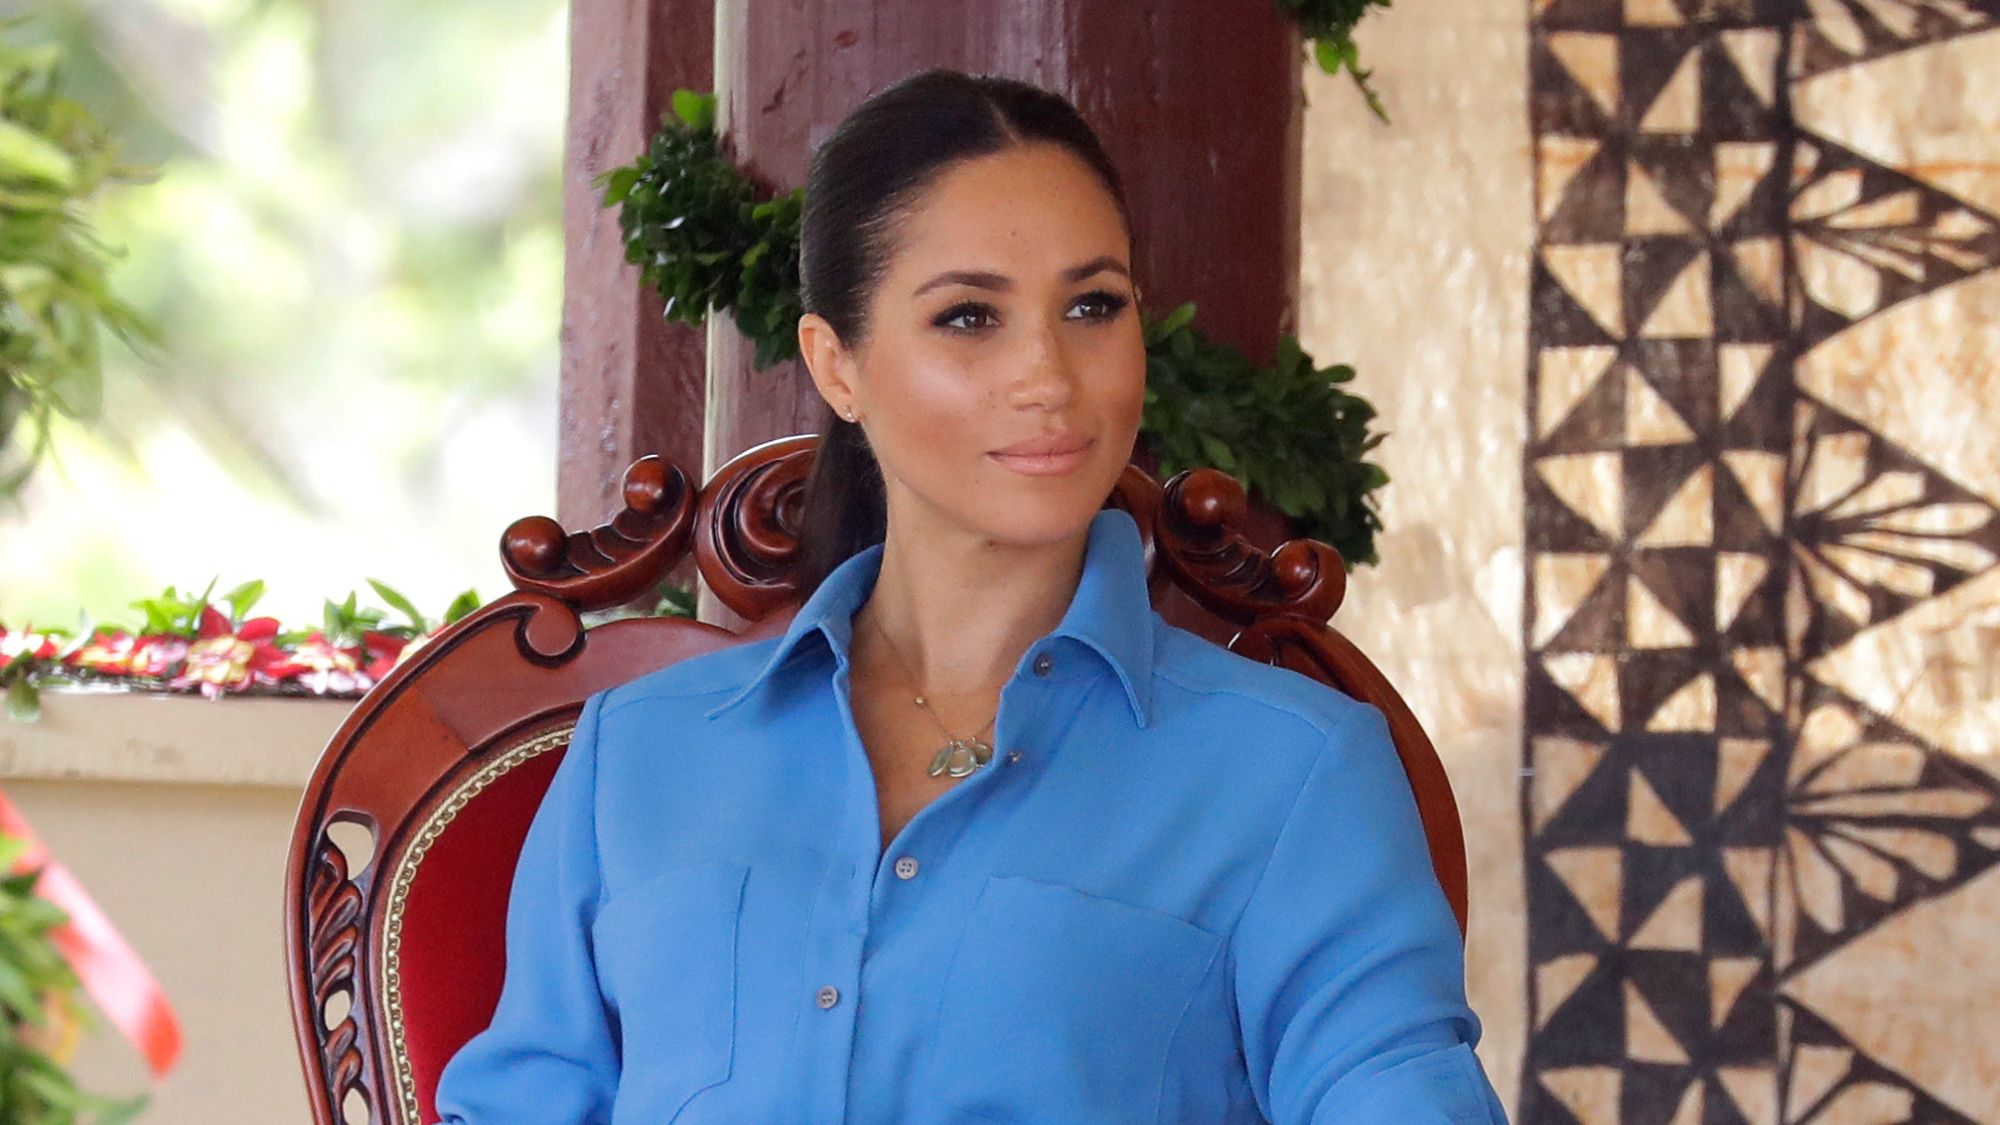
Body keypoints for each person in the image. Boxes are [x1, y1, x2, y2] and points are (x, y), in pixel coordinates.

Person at [432, 66, 1507, 1124]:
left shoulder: (1290, 774)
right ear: (836, 364)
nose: (1047, 373)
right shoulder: (639, 756)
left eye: (1092, 305)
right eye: (967, 318)